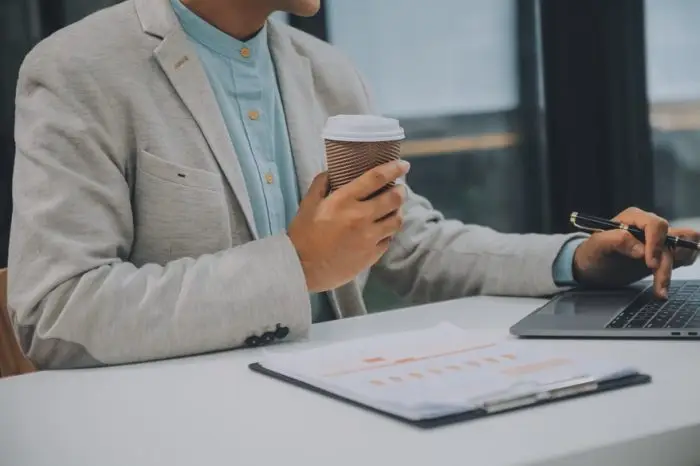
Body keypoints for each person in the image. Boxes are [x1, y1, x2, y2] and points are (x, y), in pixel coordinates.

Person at [8, 0, 699, 370]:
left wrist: (576, 259)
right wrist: (299, 264)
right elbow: (57, 313)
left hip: (352, 403)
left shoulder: (328, 71)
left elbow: (414, 244)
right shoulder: (79, 70)